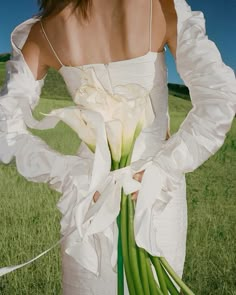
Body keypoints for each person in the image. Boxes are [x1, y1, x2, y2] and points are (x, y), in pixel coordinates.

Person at [0, 0, 235, 294]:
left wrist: (69, 174)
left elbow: (4, 125)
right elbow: (220, 96)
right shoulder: (162, 7)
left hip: (88, 194)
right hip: (156, 195)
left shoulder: (44, 32)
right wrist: (165, 166)